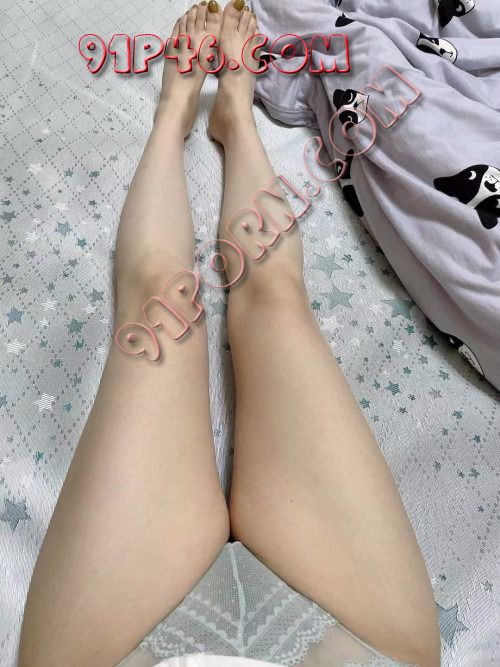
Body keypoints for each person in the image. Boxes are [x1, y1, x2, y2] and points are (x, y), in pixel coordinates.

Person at [18, 2, 441, 665]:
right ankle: (205, 115)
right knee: (272, 302)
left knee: (158, 304)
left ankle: (213, 114)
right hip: (367, 643)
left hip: (107, 649)